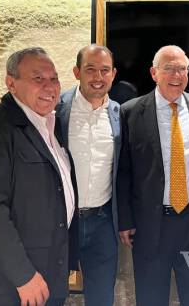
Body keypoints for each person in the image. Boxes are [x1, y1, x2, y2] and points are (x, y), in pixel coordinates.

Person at [0, 47, 78, 306]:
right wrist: (23, 276)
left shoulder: (49, 123)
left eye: (54, 79)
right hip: (14, 283)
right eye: (37, 78)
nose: (49, 86)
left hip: (49, 271)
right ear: (11, 84)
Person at [117, 45, 189, 306]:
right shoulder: (130, 112)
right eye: (169, 68)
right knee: (151, 295)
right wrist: (125, 219)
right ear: (154, 73)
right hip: (151, 222)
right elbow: (123, 171)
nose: (177, 75)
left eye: (182, 69)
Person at [56, 44, 120, 306]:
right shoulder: (56, 110)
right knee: (53, 293)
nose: (98, 77)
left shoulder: (119, 114)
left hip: (103, 221)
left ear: (113, 74)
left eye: (105, 70)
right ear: (77, 72)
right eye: (90, 69)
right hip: (61, 221)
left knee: (102, 296)